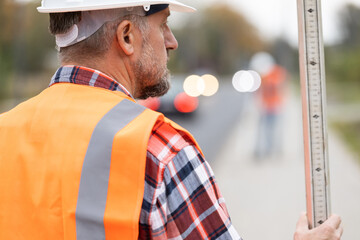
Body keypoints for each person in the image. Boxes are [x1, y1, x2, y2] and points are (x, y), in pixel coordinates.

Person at [0, 0, 342, 239]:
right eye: (163, 25)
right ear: (127, 36)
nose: (172, 42)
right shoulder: (159, 150)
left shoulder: (5, 132)